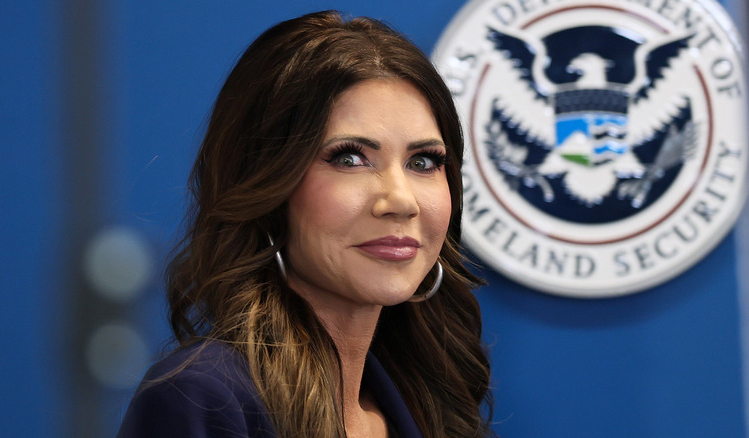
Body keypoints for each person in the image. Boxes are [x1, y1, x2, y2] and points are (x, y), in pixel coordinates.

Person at [118, 10, 492, 438]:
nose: (401, 200)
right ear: (268, 185)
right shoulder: (204, 398)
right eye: (349, 158)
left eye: (423, 162)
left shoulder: (428, 403)